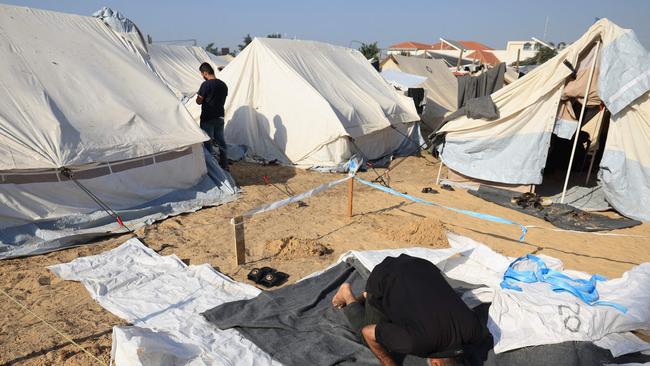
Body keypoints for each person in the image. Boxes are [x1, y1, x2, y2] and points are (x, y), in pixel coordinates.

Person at [332, 254, 484, 366]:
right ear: (436, 364)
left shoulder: (474, 331)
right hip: (385, 275)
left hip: (422, 266)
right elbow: (369, 332)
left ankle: (368, 296)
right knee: (368, 339)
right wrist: (389, 362)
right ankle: (348, 295)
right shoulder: (415, 342)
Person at [196, 62, 229, 170]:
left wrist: (200, 98)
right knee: (221, 142)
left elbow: (199, 101)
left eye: (202, 74)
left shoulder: (206, 85)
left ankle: (211, 168)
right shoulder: (223, 84)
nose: (202, 76)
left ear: (205, 73)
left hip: (208, 118)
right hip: (220, 116)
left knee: (208, 143)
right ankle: (224, 165)